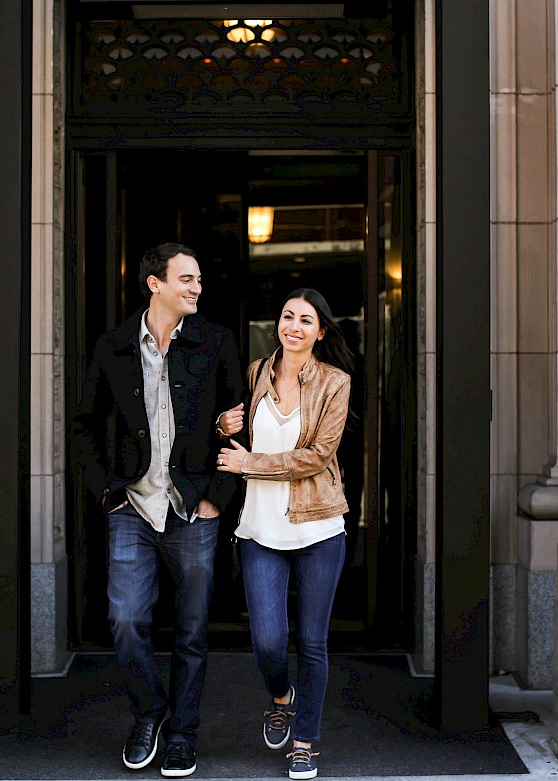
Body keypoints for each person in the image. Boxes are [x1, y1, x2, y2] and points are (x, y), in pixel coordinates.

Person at [71, 243, 244, 778]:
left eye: (197, 280)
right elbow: (82, 423)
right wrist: (107, 489)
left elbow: (242, 419)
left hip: (194, 506)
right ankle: (148, 713)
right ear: (155, 284)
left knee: (192, 629)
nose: (196, 288)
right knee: (125, 619)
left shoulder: (216, 342)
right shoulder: (115, 345)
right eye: (186, 279)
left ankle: (183, 735)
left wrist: (217, 496)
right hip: (133, 506)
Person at [215, 288, 353, 781]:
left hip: (318, 526)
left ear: (320, 331)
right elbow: (233, 434)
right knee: (268, 641)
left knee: (312, 643)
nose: (293, 326)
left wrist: (250, 463)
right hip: (260, 528)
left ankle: (306, 741)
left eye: (306, 319)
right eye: (287, 316)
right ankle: (280, 697)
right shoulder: (255, 373)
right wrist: (222, 424)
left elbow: (318, 455)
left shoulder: (336, 383)